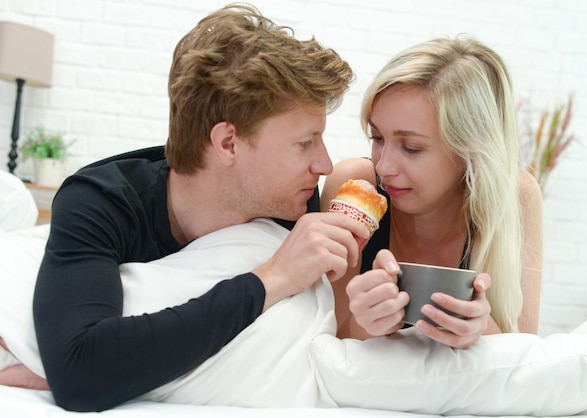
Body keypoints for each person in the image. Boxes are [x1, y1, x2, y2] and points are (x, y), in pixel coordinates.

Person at [17, 3, 369, 412]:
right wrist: (272, 278)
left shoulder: (291, 203)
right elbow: (80, 373)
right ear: (228, 144)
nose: (323, 164)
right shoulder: (101, 201)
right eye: (305, 143)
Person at [321, 36, 543, 348]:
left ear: (469, 151)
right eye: (377, 137)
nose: (384, 167)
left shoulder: (515, 198)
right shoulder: (355, 184)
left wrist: (481, 331)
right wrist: (363, 323)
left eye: (411, 148)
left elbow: (527, 355)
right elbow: (322, 343)